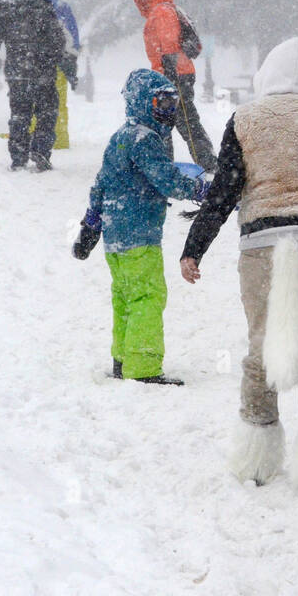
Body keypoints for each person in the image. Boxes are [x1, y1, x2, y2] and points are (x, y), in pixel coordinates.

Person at [179, 38, 298, 510]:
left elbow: (223, 191)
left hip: (261, 247)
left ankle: (256, 454)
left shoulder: (245, 120)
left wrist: (193, 247)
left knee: (260, 345)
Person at [72, 69, 208, 384]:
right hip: (140, 235)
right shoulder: (146, 139)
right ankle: (143, 366)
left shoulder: (120, 137)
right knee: (148, 296)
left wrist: (91, 225)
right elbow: (166, 179)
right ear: (142, 102)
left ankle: (123, 359)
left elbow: (100, 184)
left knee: (124, 296)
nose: (168, 110)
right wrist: (200, 190)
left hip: (114, 238)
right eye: (160, 102)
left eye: (173, 104)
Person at [0, 0, 76, 171]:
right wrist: (62, 63)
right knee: (46, 112)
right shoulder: (43, 8)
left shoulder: (4, 8)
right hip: (42, 71)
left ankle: (18, 156)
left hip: (17, 73)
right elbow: (57, 41)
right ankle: (40, 151)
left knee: (19, 113)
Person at [122, 0, 217, 170]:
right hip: (173, 74)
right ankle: (192, 162)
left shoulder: (163, 11)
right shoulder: (163, 9)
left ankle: (203, 164)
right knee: (172, 121)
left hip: (172, 75)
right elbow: (146, 11)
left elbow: (169, 44)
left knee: (180, 122)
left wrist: (169, 75)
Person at [30, 0, 78, 150]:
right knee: (37, 102)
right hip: (39, 63)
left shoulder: (60, 8)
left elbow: (72, 36)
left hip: (57, 64)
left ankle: (58, 138)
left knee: (57, 102)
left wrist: (69, 57)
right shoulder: (36, 5)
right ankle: (38, 137)